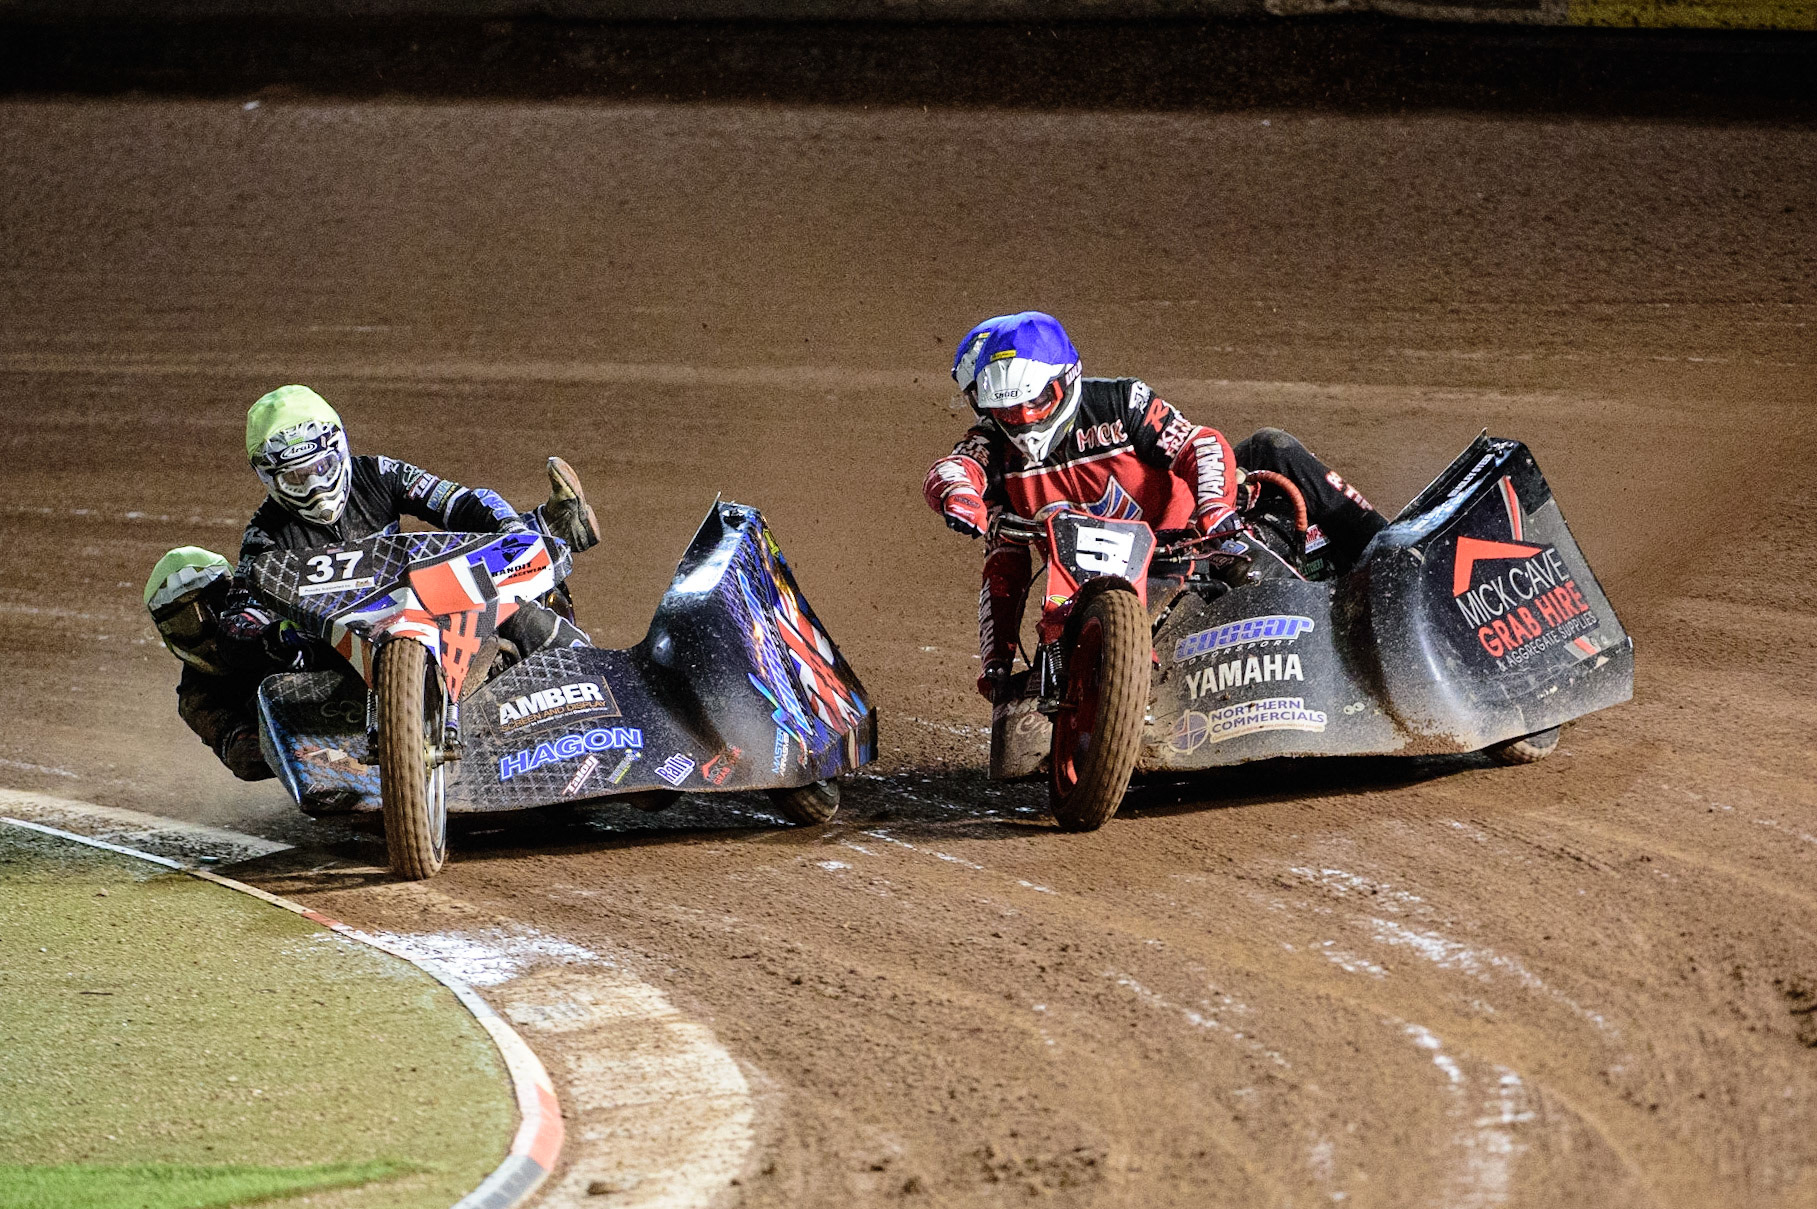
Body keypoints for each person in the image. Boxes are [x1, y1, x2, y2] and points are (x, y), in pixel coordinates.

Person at [923, 311, 1389, 701]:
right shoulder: (991, 450)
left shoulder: (1123, 401)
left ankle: (1389, 554)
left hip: (1192, 548)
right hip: (1084, 596)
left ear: (1066, 381)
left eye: (1037, 401)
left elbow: (1199, 445)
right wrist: (997, 660)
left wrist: (1216, 511)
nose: (1024, 421)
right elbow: (958, 477)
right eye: (1008, 411)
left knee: (1272, 449)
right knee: (1037, 644)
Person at [224, 384, 598, 658]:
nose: (315, 487)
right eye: (296, 477)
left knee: (520, 614)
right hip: (337, 647)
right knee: (275, 675)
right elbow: (239, 613)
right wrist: (275, 634)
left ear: (341, 449)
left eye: (322, 468)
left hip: (423, 603)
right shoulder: (264, 536)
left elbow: (461, 502)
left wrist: (513, 533)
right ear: (270, 479)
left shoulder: (380, 473)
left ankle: (599, 682)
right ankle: (549, 525)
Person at [145, 546, 306, 781]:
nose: (208, 626)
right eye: (188, 624)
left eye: (217, 605)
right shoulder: (197, 699)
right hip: (309, 745)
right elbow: (243, 756)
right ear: (170, 633)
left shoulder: (281, 611)